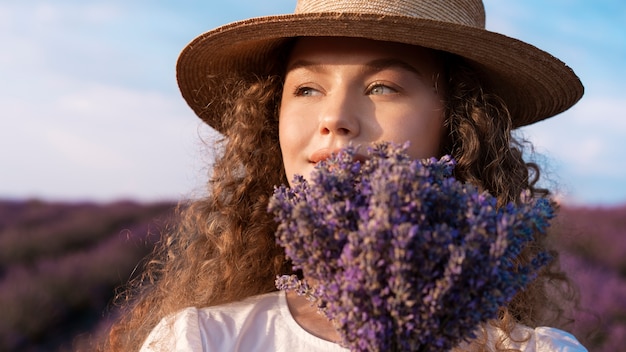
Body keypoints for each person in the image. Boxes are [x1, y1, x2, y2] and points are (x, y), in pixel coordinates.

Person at [103, 0, 587, 351]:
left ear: (458, 123)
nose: (334, 117)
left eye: (382, 86)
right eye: (308, 88)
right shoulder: (203, 341)